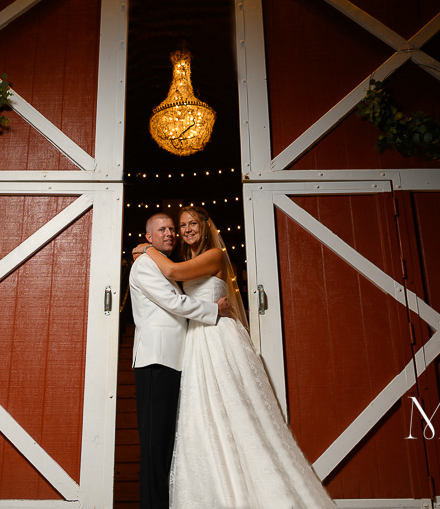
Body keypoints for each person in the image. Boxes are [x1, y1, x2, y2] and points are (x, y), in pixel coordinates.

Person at [142, 206, 337, 509]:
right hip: (195, 341)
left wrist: (144, 248)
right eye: (182, 225)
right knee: (200, 413)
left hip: (217, 335)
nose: (186, 230)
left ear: (206, 227)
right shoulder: (187, 259)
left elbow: (172, 273)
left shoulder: (214, 257)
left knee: (234, 406)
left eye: (192, 223)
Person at [128, 212, 230, 509]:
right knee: (154, 445)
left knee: (169, 443)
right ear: (148, 237)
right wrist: (213, 310)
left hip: (177, 361)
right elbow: (174, 303)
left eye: (172, 228)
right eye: (162, 230)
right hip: (155, 362)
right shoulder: (145, 264)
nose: (170, 233)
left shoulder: (166, 265)